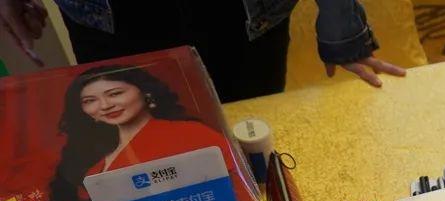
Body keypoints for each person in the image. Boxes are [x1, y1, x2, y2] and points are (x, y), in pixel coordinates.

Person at [0, 0, 405, 101]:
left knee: (248, 149)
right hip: (109, 17)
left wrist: (341, 23)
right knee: (134, 158)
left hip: (238, 18)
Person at [48, 63, 241, 201]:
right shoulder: (94, 165)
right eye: (90, 101)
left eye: (115, 93)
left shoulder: (190, 133)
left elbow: (235, 196)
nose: (105, 105)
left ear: (145, 91)